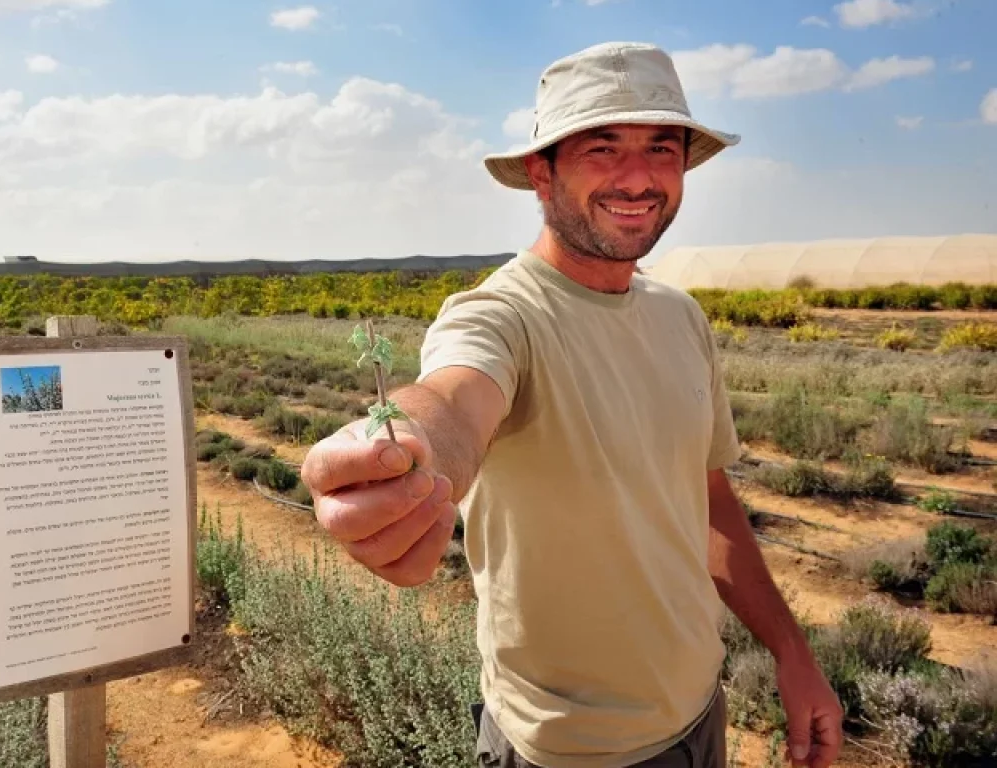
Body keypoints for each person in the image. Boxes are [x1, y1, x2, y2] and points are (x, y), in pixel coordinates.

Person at [300, 41, 844, 768]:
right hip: (568, 752)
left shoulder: (681, 316)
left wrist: (793, 652)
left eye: (660, 146)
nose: (637, 175)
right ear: (540, 173)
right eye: (601, 147)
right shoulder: (499, 315)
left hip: (698, 719)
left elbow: (708, 501)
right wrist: (411, 455)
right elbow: (453, 403)